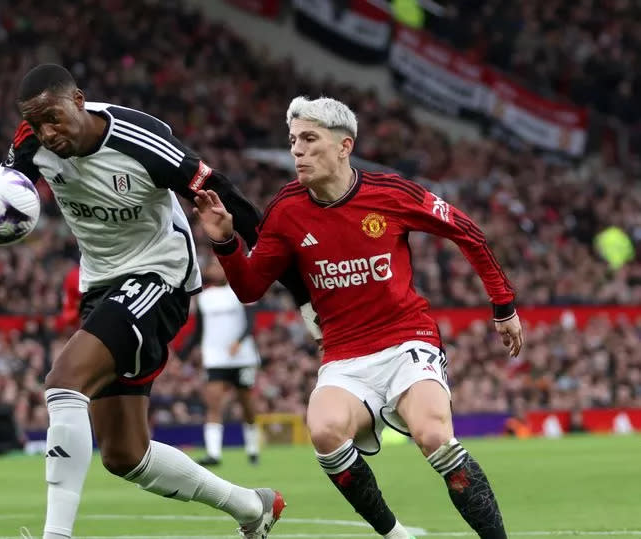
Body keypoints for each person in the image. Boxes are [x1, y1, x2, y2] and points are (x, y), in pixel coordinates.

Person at [194, 96, 523, 539]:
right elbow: (250, 288)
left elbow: (465, 230)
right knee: (324, 432)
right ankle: (396, 536)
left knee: (433, 437)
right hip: (345, 355)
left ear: (344, 146)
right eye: (293, 141)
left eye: (310, 139)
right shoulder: (287, 210)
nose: (297, 151)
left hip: (408, 339)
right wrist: (227, 242)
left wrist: (503, 305)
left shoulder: (390, 194)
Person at [4, 64, 308, 539]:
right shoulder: (30, 142)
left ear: (78, 100)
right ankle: (252, 506)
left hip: (159, 276)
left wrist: (299, 287)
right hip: (101, 285)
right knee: (125, 455)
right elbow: (5, 190)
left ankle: (55, 536)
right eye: (36, 121)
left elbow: (220, 190)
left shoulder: (138, 139)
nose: (47, 131)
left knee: (64, 382)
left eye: (54, 117)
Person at [181, 260, 262, 467]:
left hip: (242, 358)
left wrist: (238, 341)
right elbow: (199, 331)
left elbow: (250, 322)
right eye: (214, 267)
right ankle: (213, 454)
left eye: (220, 266)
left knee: (246, 404)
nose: (217, 270)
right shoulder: (204, 298)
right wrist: (182, 354)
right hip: (215, 358)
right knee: (213, 402)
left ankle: (253, 449)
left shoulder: (240, 291)